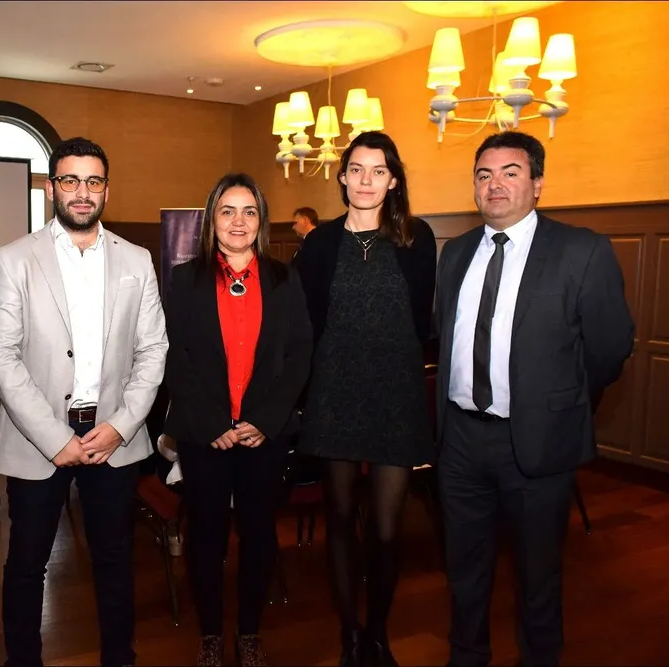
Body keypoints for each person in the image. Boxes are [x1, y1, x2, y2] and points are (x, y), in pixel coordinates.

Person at [434, 131, 634, 666]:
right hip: (460, 441)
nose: (494, 185)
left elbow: (609, 348)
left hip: (539, 443)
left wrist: (559, 406)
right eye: (484, 175)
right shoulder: (456, 253)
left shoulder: (581, 250)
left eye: (510, 172)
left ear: (538, 183)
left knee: (538, 576)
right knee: (464, 571)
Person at [0, 137, 168, 667]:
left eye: (93, 181)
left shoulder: (137, 260)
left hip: (114, 436)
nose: (82, 192)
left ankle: (120, 658)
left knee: (115, 559)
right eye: (70, 180)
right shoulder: (14, 260)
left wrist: (122, 425)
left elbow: (153, 350)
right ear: (51, 189)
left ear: (107, 189)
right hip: (38, 439)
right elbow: (3, 357)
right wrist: (55, 438)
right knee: (27, 564)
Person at [295, 131, 437, 667]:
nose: (366, 180)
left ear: (393, 180)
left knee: (385, 528)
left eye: (378, 171)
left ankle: (378, 633)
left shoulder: (416, 238)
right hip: (334, 392)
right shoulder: (320, 243)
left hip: (396, 395)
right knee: (339, 521)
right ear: (342, 176)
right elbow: (307, 324)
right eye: (356, 169)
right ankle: (350, 636)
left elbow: (420, 319)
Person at [164, 173, 312, 667]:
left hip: (262, 437)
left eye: (249, 211)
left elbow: (299, 354)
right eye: (227, 211)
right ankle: (211, 633)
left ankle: (249, 631)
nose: (238, 221)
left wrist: (265, 420)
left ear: (261, 221)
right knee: (206, 537)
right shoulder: (185, 280)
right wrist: (212, 424)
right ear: (212, 219)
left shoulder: (284, 278)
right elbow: (174, 357)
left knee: (259, 534)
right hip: (204, 435)